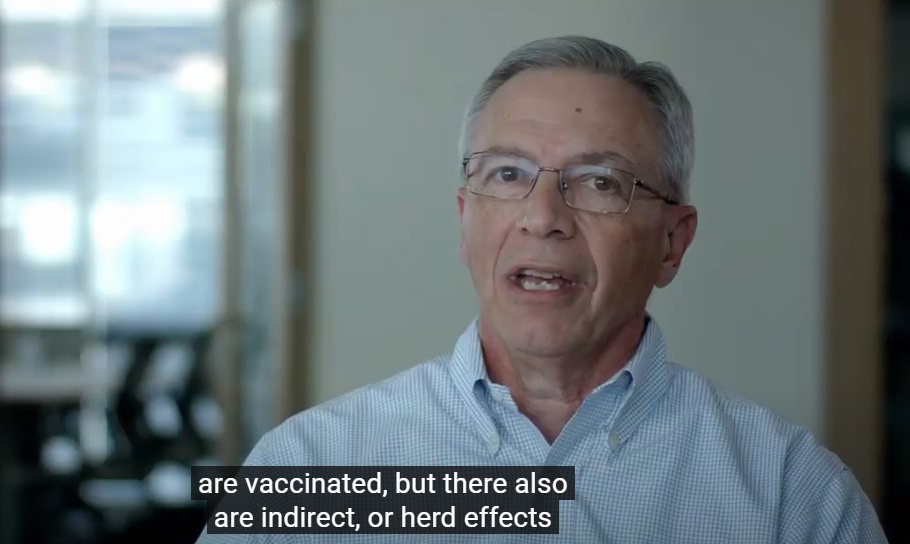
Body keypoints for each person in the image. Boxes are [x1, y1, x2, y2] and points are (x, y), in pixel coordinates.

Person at [195, 35, 888, 543]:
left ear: (671, 243)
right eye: (505, 173)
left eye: (598, 182)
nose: (542, 217)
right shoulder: (312, 467)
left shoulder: (788, 496)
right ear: (466, 221)